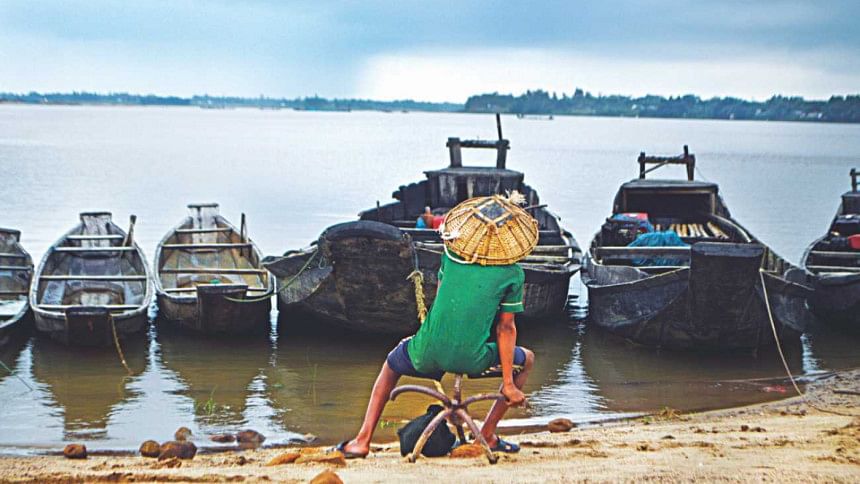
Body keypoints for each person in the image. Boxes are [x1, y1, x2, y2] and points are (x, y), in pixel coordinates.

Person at [338, 193, 538, 458]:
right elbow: (506, 329)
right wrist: (508, 385)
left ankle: (362, 440)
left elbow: (445, 297)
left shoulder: (451, 254)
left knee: (391, 365)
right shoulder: (512, 274)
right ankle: (488, 435)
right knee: (528, 359)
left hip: (426, 352)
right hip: (472, 360)